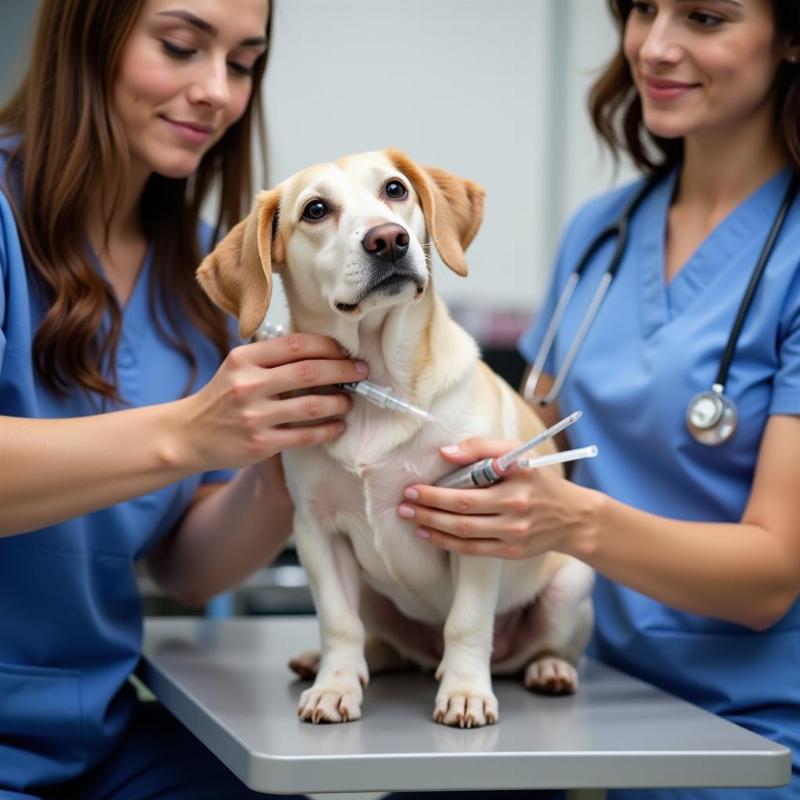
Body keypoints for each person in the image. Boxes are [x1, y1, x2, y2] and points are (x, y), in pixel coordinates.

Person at [395, 1, 800, 798]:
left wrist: (571, 521)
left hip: (750, 731)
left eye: (705, 17)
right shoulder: (600, 234)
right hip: (574, 691)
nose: (654, 47)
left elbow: (771, 576)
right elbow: (523, 443)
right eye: (643, 8)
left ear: (792, 37)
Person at [0, 0, 368, 797]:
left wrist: (283, 465)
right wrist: (192, 433)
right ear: (85, 32)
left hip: (95, 733)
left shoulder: (207, 268)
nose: (216, 93)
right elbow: (185, 441)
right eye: (180, 46)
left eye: (241, 64)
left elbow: (189, 571)